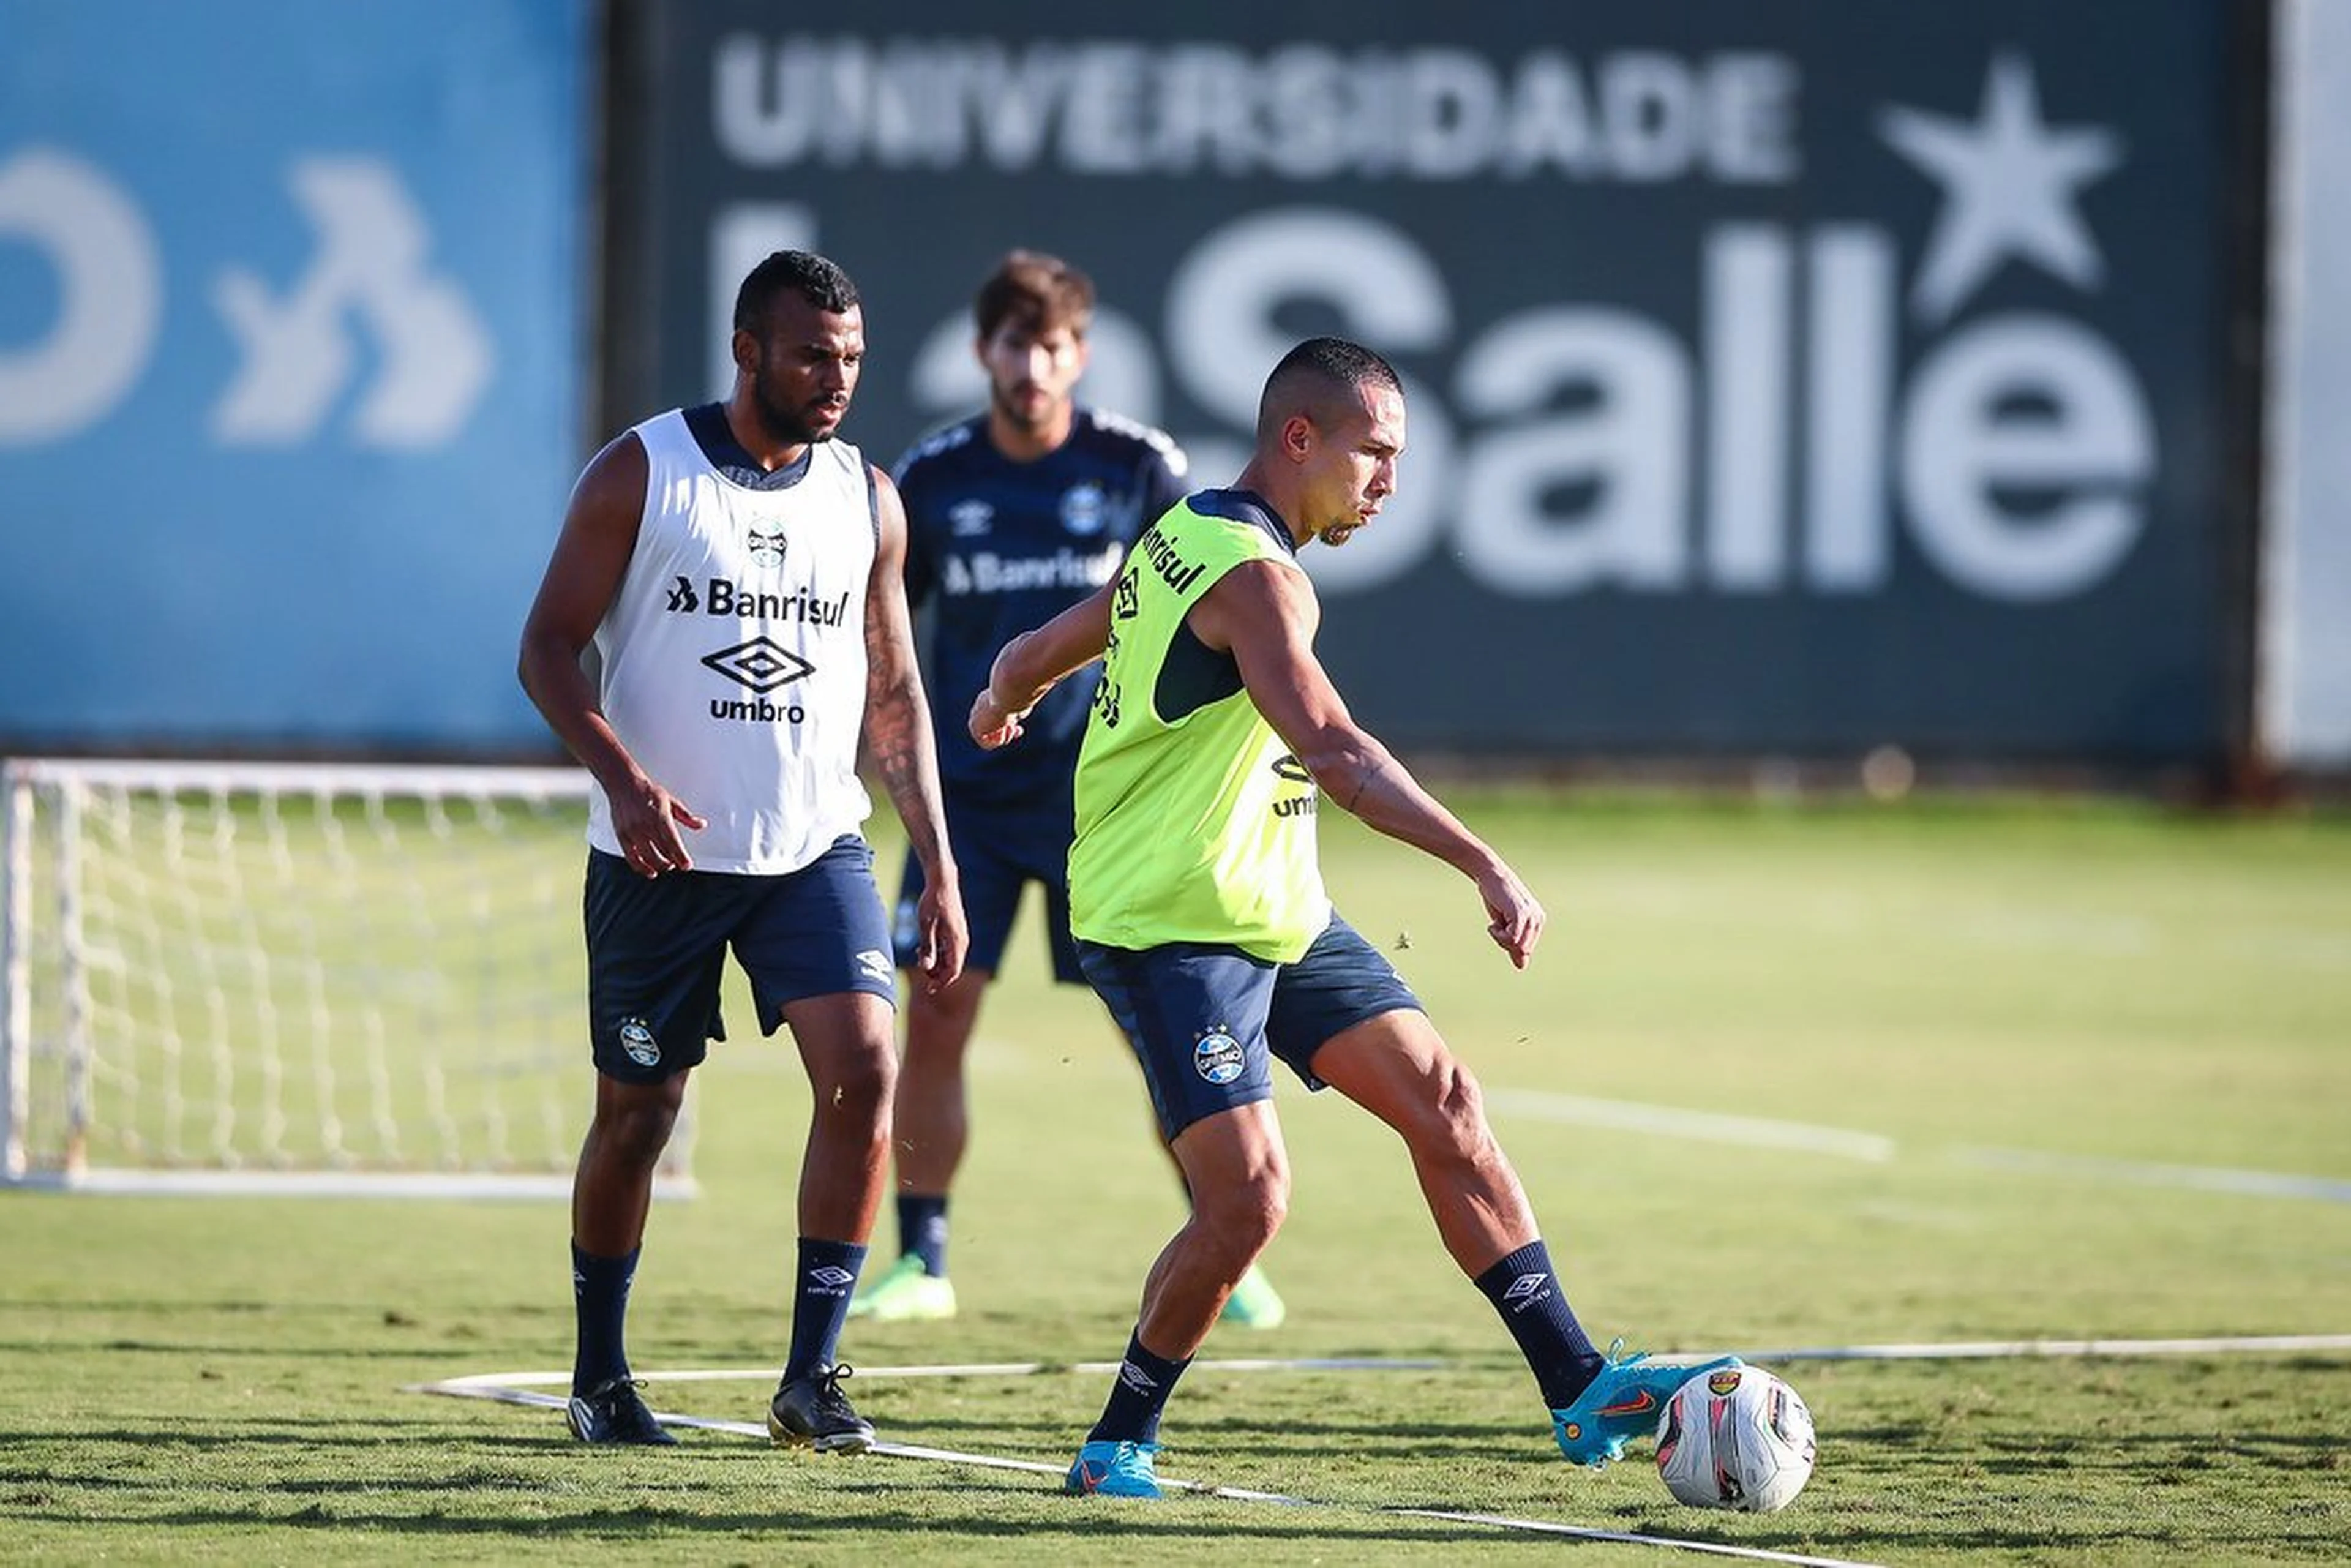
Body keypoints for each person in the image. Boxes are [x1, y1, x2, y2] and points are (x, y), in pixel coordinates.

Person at [967, 337, 1738, 1498]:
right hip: (1167, 926)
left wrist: (1001, 693)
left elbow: (1052, 641)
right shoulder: (1256, 579)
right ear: (1300, 438)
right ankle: (1117, 1441)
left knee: (1448, 1104)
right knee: (1248, 1201)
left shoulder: (1186, 532)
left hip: (1276, 910)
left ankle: (1577, 1386)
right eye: (1374, 452)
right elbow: (1336, 754)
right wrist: (1482, 862)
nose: (1388, 481)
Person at [517, 249, 967, 1453]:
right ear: (748, 350)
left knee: (866, 1070)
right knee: (639, 1116)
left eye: (852, 358)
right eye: (814, 355)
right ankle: (600, 1376)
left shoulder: (867, 498)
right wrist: (625, 781)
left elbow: (894, 691)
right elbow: (547, 651)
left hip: (813, 851)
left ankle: (811, 1378)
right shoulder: (641, 471)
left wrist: (938, 857)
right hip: (657, 860)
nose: (837, 378)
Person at [848, 250, 1283, 1330]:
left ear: (1079, 355)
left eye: (1051, 347)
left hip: (1110, 805)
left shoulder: (1138, 466)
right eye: (1014, 345)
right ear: (982, 352)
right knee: (937, 1014)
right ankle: (924, 1260)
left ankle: (1225, 1240)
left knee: (1158, 1031)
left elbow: (1210, 595)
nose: (1032, 367)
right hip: (972, 808)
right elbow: (884, 632)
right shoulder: (935, 476)